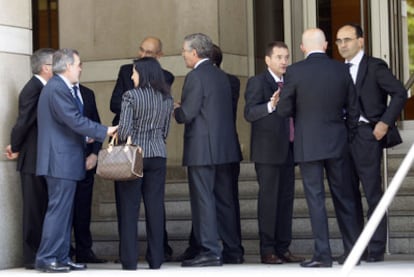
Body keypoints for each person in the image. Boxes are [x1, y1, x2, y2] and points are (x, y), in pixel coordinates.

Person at [277, 28, 360, 268]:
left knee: (315, 199)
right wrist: (348, 133)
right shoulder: (341, 69)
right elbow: (354, 109)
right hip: (337, 142)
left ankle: (323, 255)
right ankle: (352, 252)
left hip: (308, 143)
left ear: (302, 48)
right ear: (326, 46)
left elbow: (283, 110)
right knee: (344, 198)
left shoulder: (294, 71)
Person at [34, 48, 118, 273]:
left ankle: (60, 257)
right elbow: (74, 120)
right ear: (68, 66)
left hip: (65, 160)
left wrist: (90, 134)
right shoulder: (57, 88)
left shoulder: (58, 88)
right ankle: (48, 257)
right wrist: (106, 130)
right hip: (59, 161)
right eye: (79, 64)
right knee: (59, 211)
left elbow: (68, 124)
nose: (81, 68)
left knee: (64, 212)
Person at [335, 23, 408, 262]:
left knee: (372, 193)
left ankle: (375, 249)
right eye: (339, 41)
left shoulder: (375, 66)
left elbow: (399, 92)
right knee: (347, 195)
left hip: (368, 134)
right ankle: (355, 249)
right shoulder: (336, 71)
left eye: (347, 39)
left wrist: (385, 122)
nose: (343, 45)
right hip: (343, 137)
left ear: (361, 41)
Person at [174, 33, 241, 267]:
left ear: (194, 53)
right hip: (225, 149)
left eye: (184, 50)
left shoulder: (195, 77)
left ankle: (210, 251)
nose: (182, 54)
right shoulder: (222, 77)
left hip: (202, 150)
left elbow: (187, 114)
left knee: (203, 201)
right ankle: (233, 250)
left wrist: (175, 109)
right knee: (225, 201)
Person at [110, 36, 174, 261]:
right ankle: (156, 259)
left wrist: (121, 133)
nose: (132, 76)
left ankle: (129, 261)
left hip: (133, 155)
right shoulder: (166, 99)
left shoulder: (130, 96)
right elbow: (166, 131)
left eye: (134, 73)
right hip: (158, 154)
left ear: (142, 74)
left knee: (129, 209)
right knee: (155, 208)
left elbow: (125, 130)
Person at [244, 41, 304, 264]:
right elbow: (249, 113)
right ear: (268, 60)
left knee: (286, 201)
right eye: (279, 57)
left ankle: (283, 248)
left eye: (286, 57)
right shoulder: (257, 82)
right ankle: (267, 250)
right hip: (267, 152)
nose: (284, 61)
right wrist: (270, 105)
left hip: (290, 149)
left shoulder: (291, 82)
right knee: (269, 202)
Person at [4, 48, 55, 269]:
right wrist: (15, 146)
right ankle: (31, 257)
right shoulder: (33, 89)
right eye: (56, 63)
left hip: (43, 158)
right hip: (32, 159)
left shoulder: (46, 88)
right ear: (45, 68)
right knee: (33, 210)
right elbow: (23, 122)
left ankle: (43, 253)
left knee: (44, 207)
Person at [70, 83, 107, 264]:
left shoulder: (87, 93)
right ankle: (65, 251)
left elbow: (96, 124)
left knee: (83, 208)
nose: (79, 68)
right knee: (64, 208)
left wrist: (95, 153)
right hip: (65, 160)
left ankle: (85, 250)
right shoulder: (58, 92)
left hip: (87, 160)